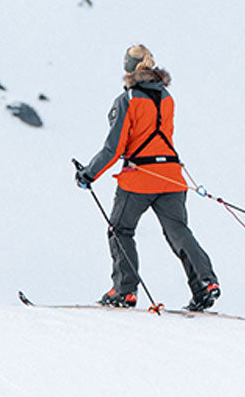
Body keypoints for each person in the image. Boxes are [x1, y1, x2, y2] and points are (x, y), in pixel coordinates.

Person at [75, 44, 219, 311]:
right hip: (172, 176)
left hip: (140, 177)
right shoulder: (166, 97)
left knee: (120, 229)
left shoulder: (127, 100)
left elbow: (114, 147)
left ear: (128, 67)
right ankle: (205, 283)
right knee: (178, 231)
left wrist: (88, 173)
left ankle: (124, 291)